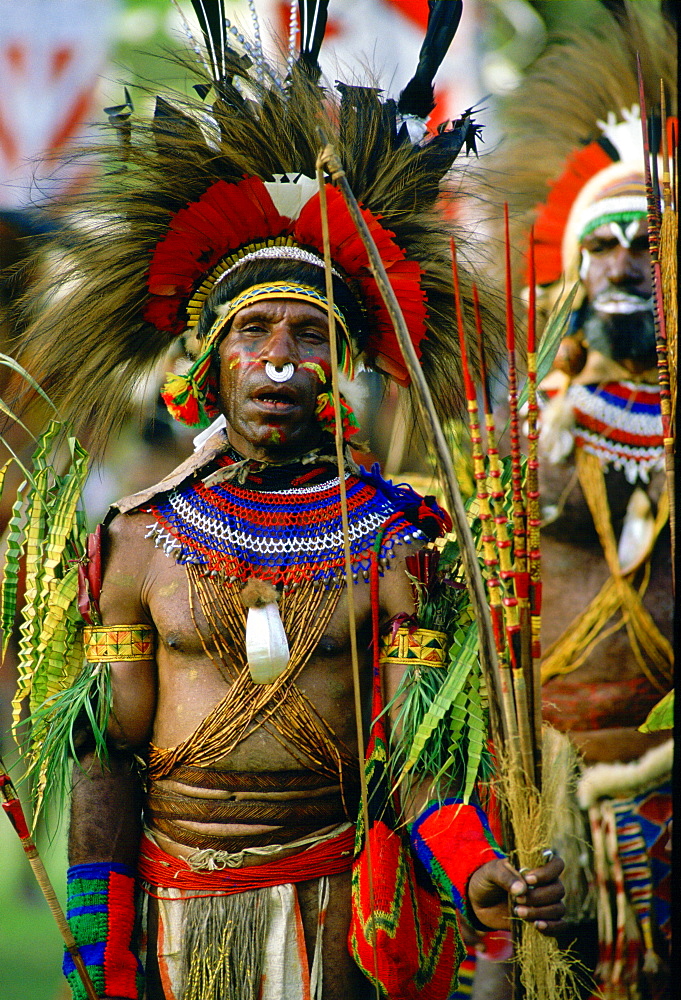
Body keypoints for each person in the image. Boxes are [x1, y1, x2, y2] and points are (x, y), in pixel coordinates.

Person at [7, 4, 566, 1000]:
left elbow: (418, 759)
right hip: (183, 928)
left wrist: (474, 873)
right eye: (252, 330)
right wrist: (100, 953)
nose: (278, 359)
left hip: (337, 923)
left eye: (309, 335)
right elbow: (105, 769)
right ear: (209, 364)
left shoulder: (401, 537)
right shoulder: (134, 540)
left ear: (344, 367)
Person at [485, 3, 675, 995]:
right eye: (603, 242)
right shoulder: (530, 428)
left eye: (649, 238)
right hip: (551, 793)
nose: (624, 260)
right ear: (571, 263)